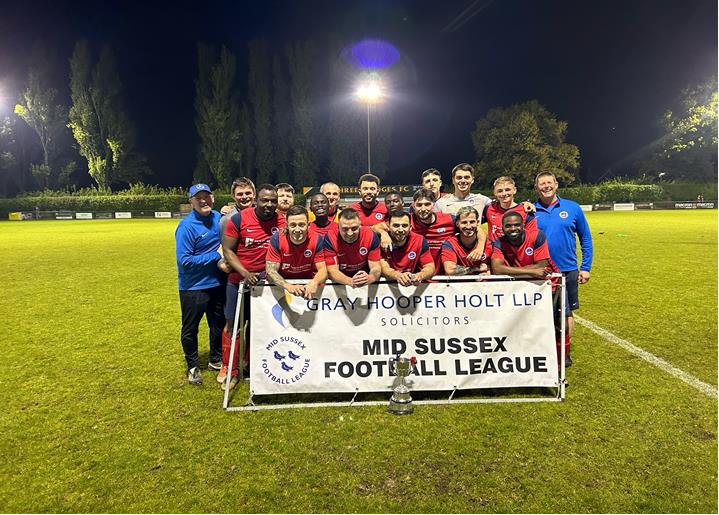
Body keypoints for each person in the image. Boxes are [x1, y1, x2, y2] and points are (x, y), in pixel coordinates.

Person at [220, 184, 286, 389]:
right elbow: (228, 250)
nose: (269, 204)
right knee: (234, 326)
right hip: (239, 282)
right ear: (256, 200)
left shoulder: (282, 220)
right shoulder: (239, 219)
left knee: (258, 325)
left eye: (273, 201)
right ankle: (229, 368)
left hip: (267, 284)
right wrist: (245, 273)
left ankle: (248, 363)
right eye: (264, 200)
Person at [490, 211, 566, 367]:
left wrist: (512, 270)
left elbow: (542, 266)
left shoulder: (537, 236)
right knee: (523, 325)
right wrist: (530, 271)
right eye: (508, 226)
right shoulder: (499, 242)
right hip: (522, 287)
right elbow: (497, 268)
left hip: (547, 286)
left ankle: (560, 359)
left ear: (523, 225)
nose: (513, 229)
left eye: (516, 225)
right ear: (502, 228)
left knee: (555, 323)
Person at [534, 171, 593, 366]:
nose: (546, 186)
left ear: (556, 184)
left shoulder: (572, 208)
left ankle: (564, 351)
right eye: (542, 184)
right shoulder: (530, 210)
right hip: (541, 270)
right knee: (541, 312)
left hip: (567, 269)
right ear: (536, 188)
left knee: (566, 313)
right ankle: (545, 348)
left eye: (549, 183)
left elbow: (585, 238)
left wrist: (585, 267)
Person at [174, 184, 225, 385]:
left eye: (207, 196)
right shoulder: (186, 227)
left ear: (212, 198)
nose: (203, 200)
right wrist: (216, 256)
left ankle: (215, 358)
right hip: (193, 287)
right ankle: (193, 366)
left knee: (218, 323)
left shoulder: (218, 217)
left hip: (217, 283)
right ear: (191, 201)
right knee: (190, 328)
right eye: (198, 198)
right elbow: (184, 260)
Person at [410, 188, 486, 273]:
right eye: (419, 205)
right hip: (419, 277)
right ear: (413, 205)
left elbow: (476, 229)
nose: (423, 209)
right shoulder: (408, 221)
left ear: (433, 204)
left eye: (427, 204)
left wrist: (480, 248)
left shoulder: (448, 219)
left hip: (444, 278)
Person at [265, 205, 327, 298]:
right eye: (293, 225)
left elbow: (323, 270)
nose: (297, 230)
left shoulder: (317, 239)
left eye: (301, 225)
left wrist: (314, 282)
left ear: (309, 225)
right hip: (284, 285)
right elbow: (270, 270)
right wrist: (288, 286)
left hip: (308, 283)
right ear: (286, 225)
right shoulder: (277, 239)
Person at [324, 208, 382, 288]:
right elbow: (332, 271)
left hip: (364, 278)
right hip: (341, 281)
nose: (350, 233)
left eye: (354, 228)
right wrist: (351, 282)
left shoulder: (371, 236)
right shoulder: (330, 238)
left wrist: (370, 278)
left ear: (360, 225)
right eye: (345, 229)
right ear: (338, 226)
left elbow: (376, 267)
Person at [380, 210, 435, 285]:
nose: (400, 230)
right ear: (388, 227)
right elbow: (383, 268)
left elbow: (430, 267)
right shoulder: (381, 240)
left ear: (410, 227)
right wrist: (398, 276)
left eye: (404, 226)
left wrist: (419, 276)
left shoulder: (419, 240)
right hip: (384, 286)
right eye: (396, 225)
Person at [441, 206, 491, 276]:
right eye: (464, 222)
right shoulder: (450, 244)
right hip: (458, 285)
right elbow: (449, 270)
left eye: (472, 222)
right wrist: (476, 268)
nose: (468, 226)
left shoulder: (488, 243)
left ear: (478, 223)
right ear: (457, 224)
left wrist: (489, 271)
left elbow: (497, 267)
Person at [484, 176, 537, 241]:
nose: (504, 193)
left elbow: (532, 237)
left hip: (516, 250)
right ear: (495, 192)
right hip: (495, 250)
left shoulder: (525, 211)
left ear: (514, 190)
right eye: (500, 191)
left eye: (507, 190)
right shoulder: (489, 209)